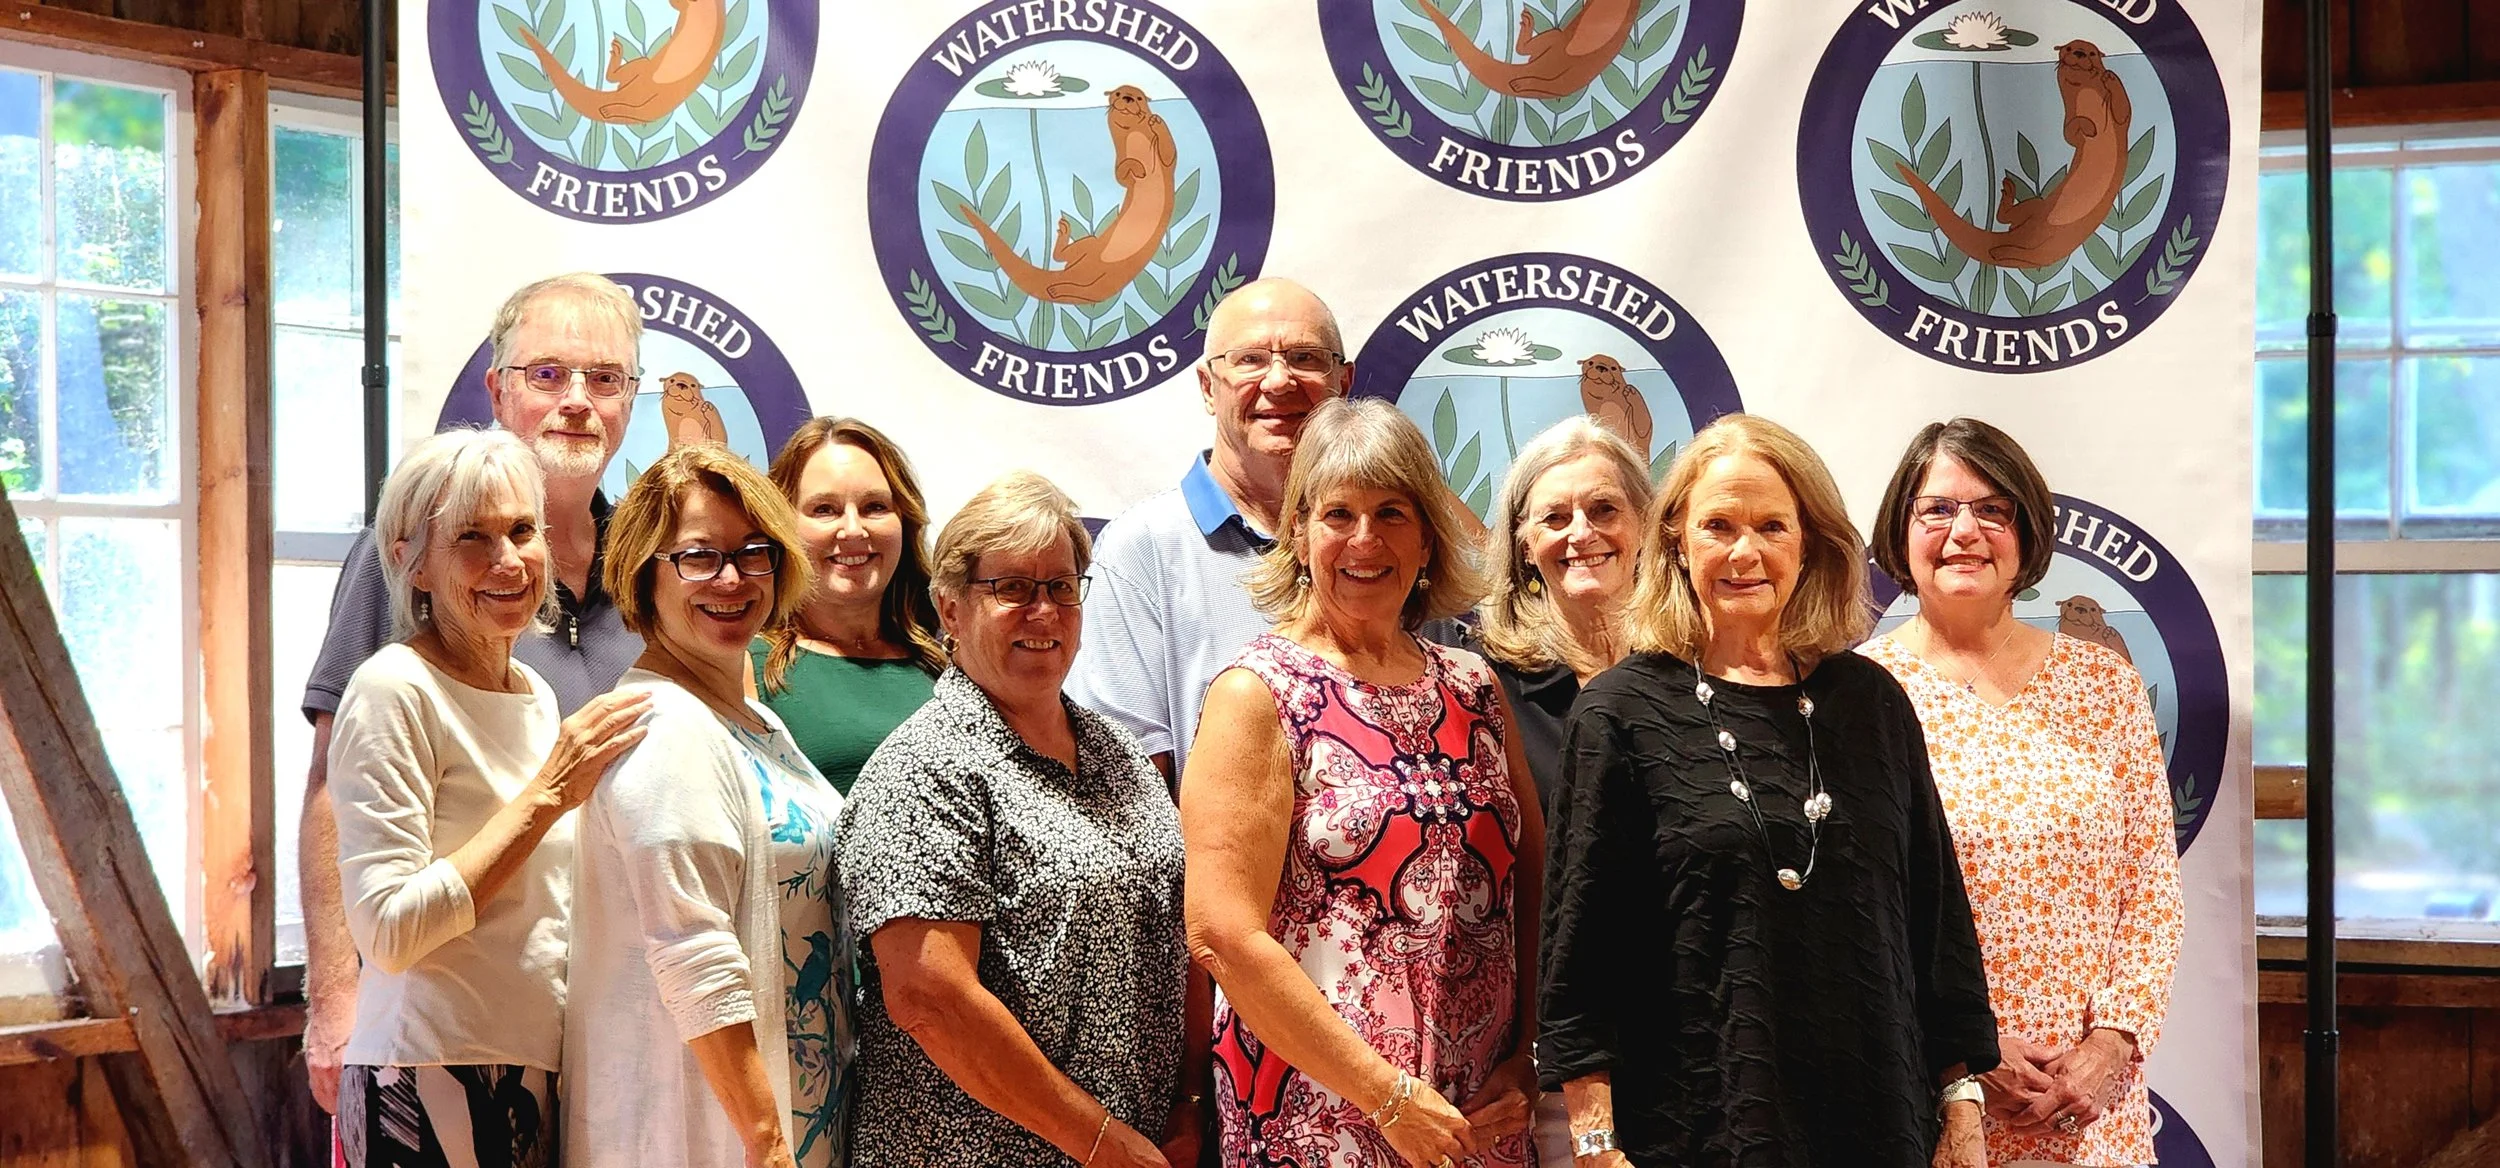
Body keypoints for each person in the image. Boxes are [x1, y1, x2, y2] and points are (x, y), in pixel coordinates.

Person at [1540, 413, 1999, 1168]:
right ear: (1678, 544)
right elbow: (1581, 956)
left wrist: (1963, 1105)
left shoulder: (1872, 701)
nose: (1745, 551)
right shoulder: (1619, 712)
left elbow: (1937, 928)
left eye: (1771, 527)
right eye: (1719, 525)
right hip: (1695, 1133)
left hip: (1881, 1125)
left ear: (1807, 545)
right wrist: (1594, 1143)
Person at [301, 272, 647, 1111]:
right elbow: (329, 796)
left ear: (631, 401)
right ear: (497, 389)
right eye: (549, 374)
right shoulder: (401, 562)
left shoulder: (656, 561)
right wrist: (334, 1001)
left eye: (605, 379)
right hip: (432, 1047)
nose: (577, 402)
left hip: (591, 1037)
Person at [1185, 398, 1543, 1168]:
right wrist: (1385, 1095)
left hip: (1478, 1119)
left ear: (1426, 540)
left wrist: (1526, 1057)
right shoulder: (1257, 693)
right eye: (1338, 513)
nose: (1364, 539)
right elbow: (1222, 934)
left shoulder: (1475, 687)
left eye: (1391, 512)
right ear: (1301, 532)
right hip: (1320, 1122)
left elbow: (1533, 887)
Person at [839, 471, 1199, 1168]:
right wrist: (1098, 1142)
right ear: (949, 607)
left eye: (1061, 586)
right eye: (1011, 588)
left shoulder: (1117, 751)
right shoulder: (926, 768)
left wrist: (1185, 1106)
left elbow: (1180, 937)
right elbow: (928, 1000)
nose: (1044, 611)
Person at [1859, 418, 2184, 1168]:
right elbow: (1856, 914)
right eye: (1936, 509)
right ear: (1899, 532)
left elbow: (2152, 892)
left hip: (2092, 1111)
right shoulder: (1857, 696)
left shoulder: (2104, 684)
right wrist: (1967, 1050)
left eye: (1992, 510)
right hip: (1929, 1098)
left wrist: (2111, 1045)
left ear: (2026, 533)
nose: (1963, 531)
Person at [563, 445, 849, 1168]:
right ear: (641, 572)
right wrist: (768, 1143)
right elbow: (693, 955)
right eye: (697, 557)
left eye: (755, 553)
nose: (731, 578)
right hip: (709, 1139)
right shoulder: (661, 726)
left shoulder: (753, 720)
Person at [1066, 278, 1353, 786]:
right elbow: (1130, 793)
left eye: (1307, 358)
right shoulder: (1142, 550)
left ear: (1343, 384)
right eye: (1250, 360)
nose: (1280, 381)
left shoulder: (1386, 545)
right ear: (1207, 387)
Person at [1441, 416, 1656, 808]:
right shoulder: (1478, 678)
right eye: (1555, 517)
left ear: (1644, 524)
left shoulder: (1693, 665)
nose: (1581, 533)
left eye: (1604, 509)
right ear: (1524, 544)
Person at [750, 417, 945, 794]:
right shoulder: (745, 667)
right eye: (824, 509)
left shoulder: (946, 667)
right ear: (781, 524)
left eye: (874, 507)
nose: (854, 530)